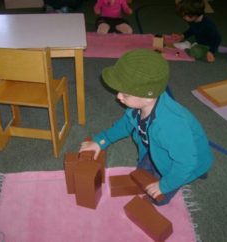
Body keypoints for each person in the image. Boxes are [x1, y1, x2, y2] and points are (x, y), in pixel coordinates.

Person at [79, 48, 214, 206]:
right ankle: (162, 168)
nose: (118, 97)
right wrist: (101, 141)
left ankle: (200, 171)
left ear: (148, 96)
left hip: (188, 161)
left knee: (156, 198)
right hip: (157, 148)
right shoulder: (138, 107)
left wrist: (164, 186)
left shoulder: (171, 126)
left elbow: (186, 162)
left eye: (125, 94)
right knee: (141, 174)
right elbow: (124, 126)